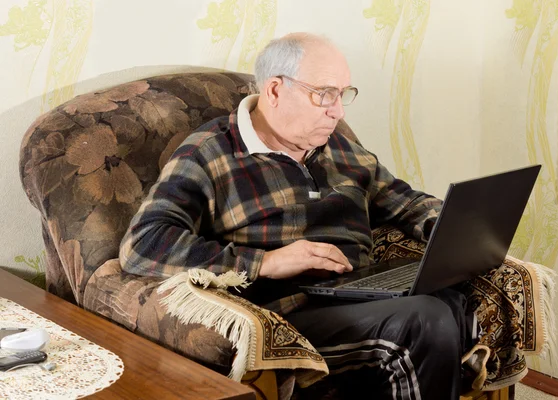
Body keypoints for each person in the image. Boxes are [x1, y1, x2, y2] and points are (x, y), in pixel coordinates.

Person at [120, 32, 474, 399]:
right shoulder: (210, 154)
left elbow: (404, 200)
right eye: (324, 94)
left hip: (360, 290)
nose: (337, 111)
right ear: (275, 90)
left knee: (449, 298)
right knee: (425, 319)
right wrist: (265, 262)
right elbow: (143, 243)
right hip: (289, 313)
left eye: (343, 94)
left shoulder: (336, 145)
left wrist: (455, 226)